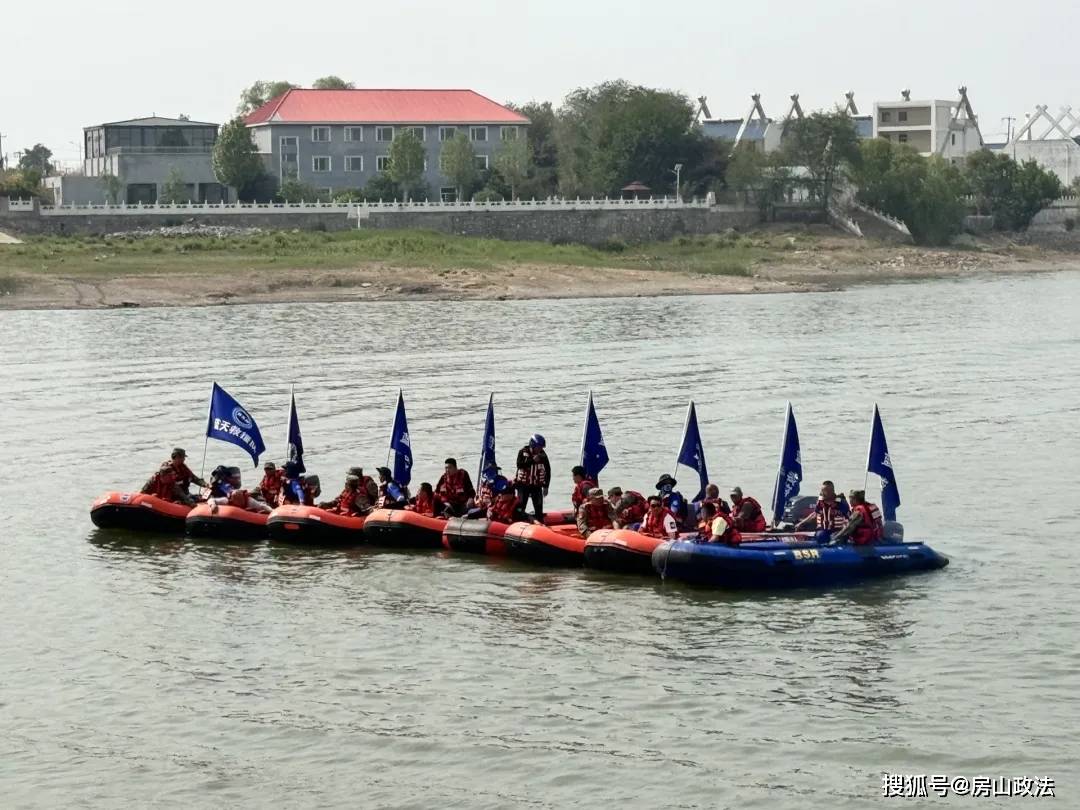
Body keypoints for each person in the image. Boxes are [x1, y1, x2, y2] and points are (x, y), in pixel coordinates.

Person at [515, 434, 551, 519]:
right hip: (523, 486)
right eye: (539, 447)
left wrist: (546, 486)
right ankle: (519, 521)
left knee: (539, 509)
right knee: (521, 508)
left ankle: (539, 523)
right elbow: (519, 465)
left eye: (541, 447)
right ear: (533, 445)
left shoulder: (543, 455)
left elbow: (548, 471)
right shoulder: (522, 452)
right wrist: (532, 461)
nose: (540, 449)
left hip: (536, 486)